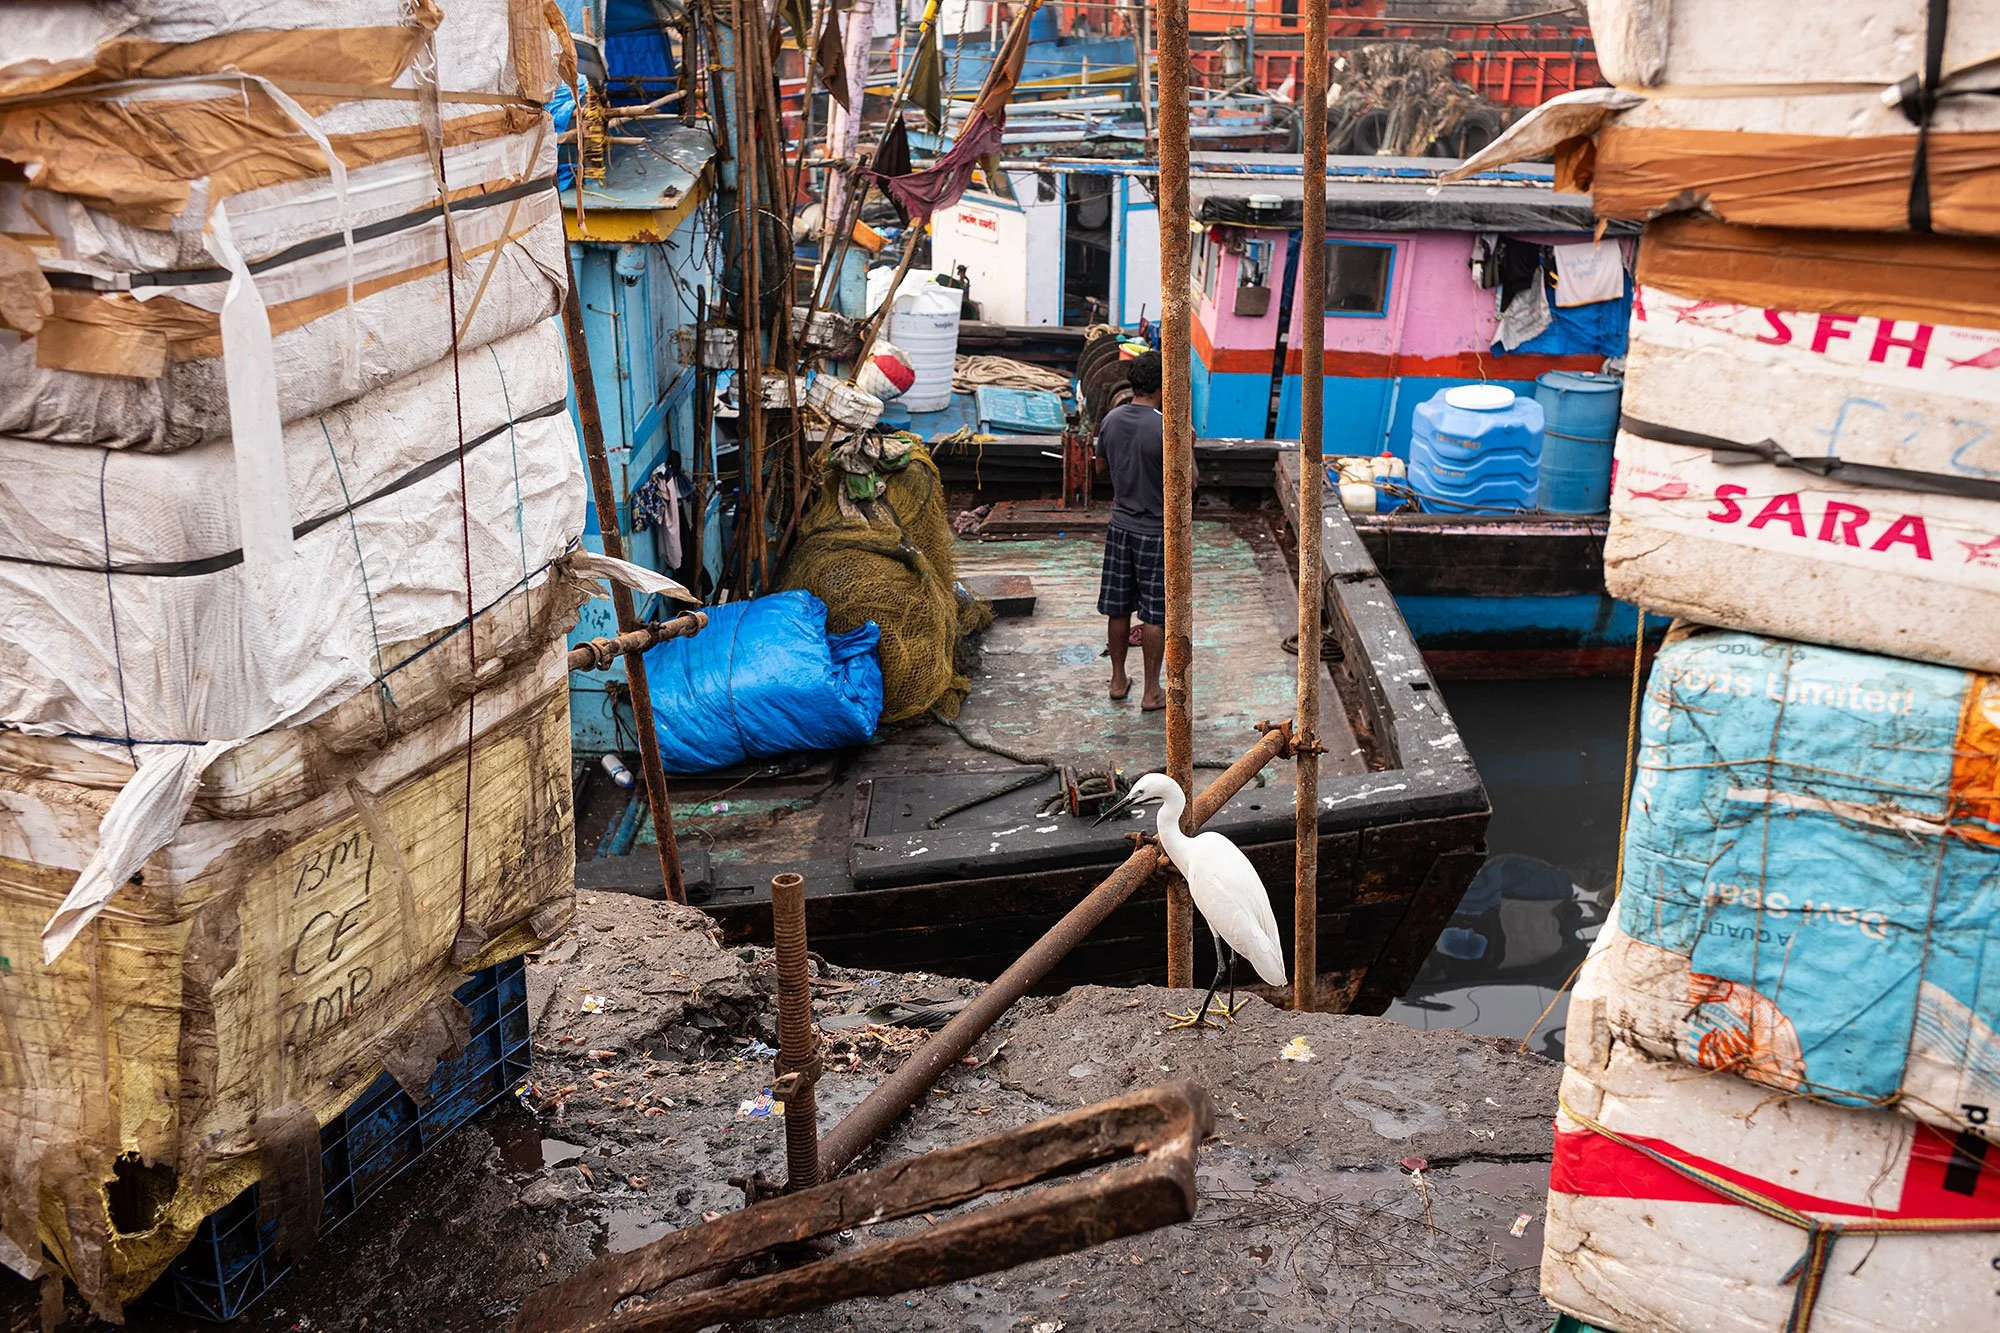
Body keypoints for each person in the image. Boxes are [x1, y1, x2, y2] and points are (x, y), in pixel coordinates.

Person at [1094, 350, 1166, 710]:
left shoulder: (1111, 419)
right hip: (1156, 531)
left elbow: (1100, 469)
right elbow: (1191, 483)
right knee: (1155, 613)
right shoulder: (1167, 428)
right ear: (1162, 385)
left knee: (1118, 608)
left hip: (1120, 526)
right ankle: (1152, 691)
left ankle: (1118, 679)